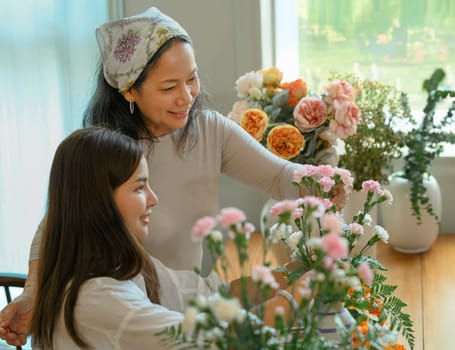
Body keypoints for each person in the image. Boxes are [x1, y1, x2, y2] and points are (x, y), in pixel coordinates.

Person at [0, 7, 348, 346]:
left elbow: (280, 177)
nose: (187, 97)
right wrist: (33, 296)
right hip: (134, 316)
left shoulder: (208, 130)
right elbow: (54, 228)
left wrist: (321, 181)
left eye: (192, 78)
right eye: (169, 88)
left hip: (181, 299)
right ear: (129, 91)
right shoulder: (108, 154)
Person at [27, 127, 309, 349]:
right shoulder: (98, 301)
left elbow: (213, 295)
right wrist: (297, 296)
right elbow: (221, 342)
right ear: (99, 202)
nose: (153, 199)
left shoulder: (126, 269)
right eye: (139, 188)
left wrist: (296, 271)